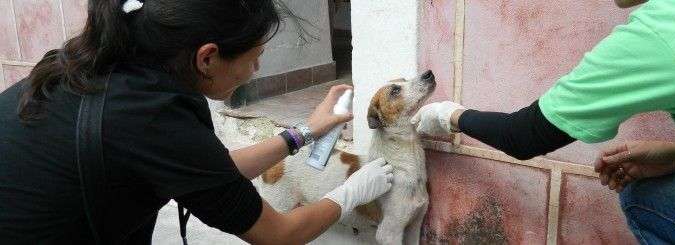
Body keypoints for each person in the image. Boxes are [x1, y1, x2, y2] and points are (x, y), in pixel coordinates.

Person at [0, 0, 393, 244]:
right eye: (254, 58)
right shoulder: (151, 118)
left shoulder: (100, 69)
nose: (255, 71)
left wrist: (305, 132)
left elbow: (208, 172)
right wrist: (353, 191)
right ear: (207, 57)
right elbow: (279, 235)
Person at [411, 0, 675, 243]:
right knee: (654, 194)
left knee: (644, 200)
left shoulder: (664, 35)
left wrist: (446, 115)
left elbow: (523, 135)